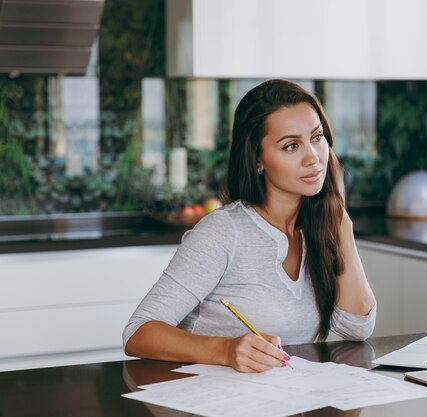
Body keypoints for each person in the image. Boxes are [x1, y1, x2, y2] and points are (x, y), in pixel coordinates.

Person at [123, 79, 377, 373]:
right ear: (259, 158)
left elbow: (357, 328)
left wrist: (341, 223)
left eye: (317, 137)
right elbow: (138, 332)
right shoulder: (224, 232)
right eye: (291, 146)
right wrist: (226, 349)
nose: (312, 157)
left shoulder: (322, 227)